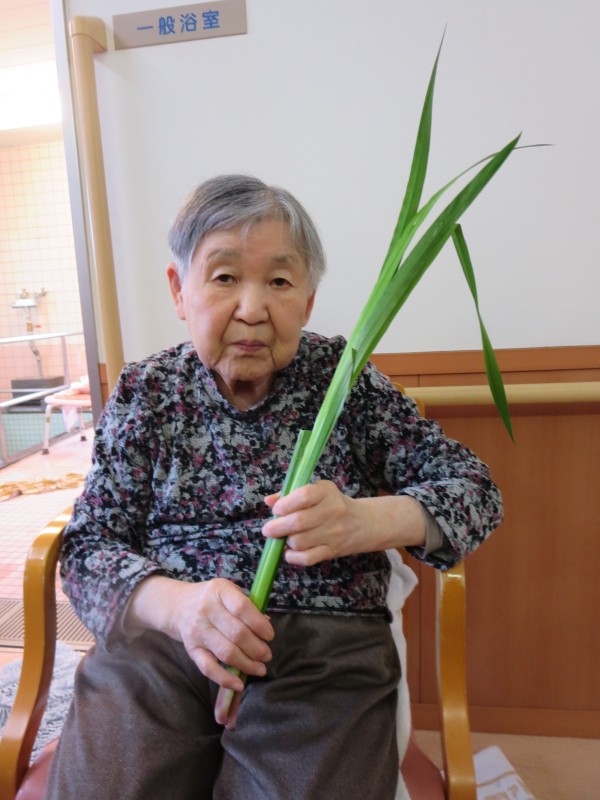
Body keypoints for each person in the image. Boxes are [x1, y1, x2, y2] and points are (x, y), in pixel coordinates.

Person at [45, 174, 503, 800]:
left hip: (322, 645)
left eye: (280, 282)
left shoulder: (343, 380)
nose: (253, 308)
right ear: (180, 290)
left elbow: (475, 490)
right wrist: (176, 606)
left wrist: (364, 521)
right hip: (162, 640)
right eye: (225, 276)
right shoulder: (147, 390)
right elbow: (87, 547)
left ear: (307, 301)